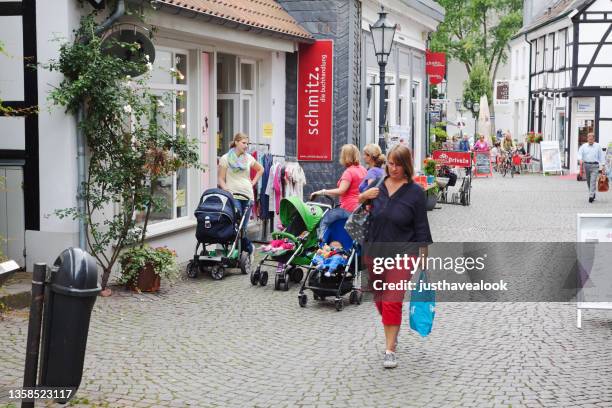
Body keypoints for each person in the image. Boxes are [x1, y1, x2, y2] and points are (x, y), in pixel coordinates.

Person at [359, 145, 432, 369]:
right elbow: (358, 207)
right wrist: (364, 196)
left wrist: (423, 257)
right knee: (380, 298)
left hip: (404, 252)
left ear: (406, 165)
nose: (393, 168)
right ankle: (393, 330)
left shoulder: (416, 193)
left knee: (392, 299)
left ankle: (390, 349)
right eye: (390, 163)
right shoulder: (377, 185)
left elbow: (421, 226)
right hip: (375, 250)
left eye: (398, 164)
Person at [218, 133, 264, 256]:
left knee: (243, 227)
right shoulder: (225, 158)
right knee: (235, 226)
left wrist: (253, 182)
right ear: (236, 142)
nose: (246, 146)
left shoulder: (248, 158)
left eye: (247, 143)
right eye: (244, 143)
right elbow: (221, 179)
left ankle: (241, 251)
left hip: (248, 195)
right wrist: (226, 189)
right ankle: (247, 248)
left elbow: (261, 169)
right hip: (233, 195)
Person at [577, 132, 606, 203]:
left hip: (595, 166)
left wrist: (603, 165)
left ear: (594, 139)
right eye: (589, 139)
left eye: (591, 139)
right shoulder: (584, 146)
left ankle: (591, 196)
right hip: (586, 165)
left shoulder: (598, 146)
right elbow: (579, 154)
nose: (590, 140)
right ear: (587, 139)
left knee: (593, 181)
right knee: (588, 181)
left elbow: (601, 156)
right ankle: (593, 193)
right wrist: (580, 159)